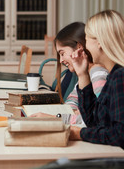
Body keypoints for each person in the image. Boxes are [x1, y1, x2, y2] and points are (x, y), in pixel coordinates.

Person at [32, 22, 108, 125]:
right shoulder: (85, 73)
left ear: (78, 48)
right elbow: (72, 99)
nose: (61, 60)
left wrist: (57, 118)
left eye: (62, 54)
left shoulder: (97, 73)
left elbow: (99, 118)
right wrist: (72, 112)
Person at [69, 10, 124, 148]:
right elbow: (93, 122)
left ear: (99, 42)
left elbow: (120, 135)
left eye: (86, 39)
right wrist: (82, 75)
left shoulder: (120, 77)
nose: (85, 46)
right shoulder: (113, 75)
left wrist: (79, 133)